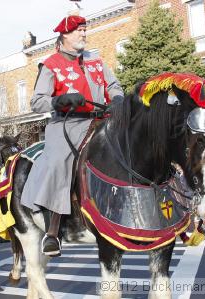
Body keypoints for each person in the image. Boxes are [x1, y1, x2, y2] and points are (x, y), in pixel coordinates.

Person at [20, 15, 124, 256]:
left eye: (85, 30)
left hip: (102, 120)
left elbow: (113, 86)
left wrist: (117, 100)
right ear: (64, 35)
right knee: (59, 162)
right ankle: (53, 231)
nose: (84, 34)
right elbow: (37, 102)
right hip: (68, 124)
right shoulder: (51, 65)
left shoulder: (95, 60)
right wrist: (60, 100)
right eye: (79, 31)